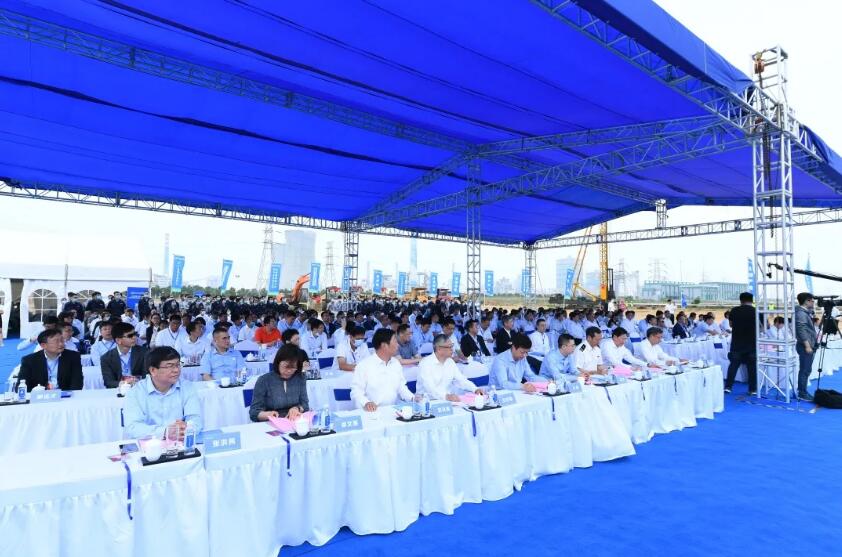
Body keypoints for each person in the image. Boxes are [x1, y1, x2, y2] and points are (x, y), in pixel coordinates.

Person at [123, 346, 203, 439]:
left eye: (178, 365)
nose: (176, 370)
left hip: (179, 442)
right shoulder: (135, 392)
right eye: (170, 366)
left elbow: (196, 420)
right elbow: (133, 427)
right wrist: (165, 432)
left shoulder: (187, 387)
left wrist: (186, 428)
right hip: (148, 445)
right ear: (153, 370)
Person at [350, 329, 413, 411]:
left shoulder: (396, 363)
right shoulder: (364, 366)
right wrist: (366, 403)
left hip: (393, 410)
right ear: (384, 345)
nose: (398, 345)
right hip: (372, 412)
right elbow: (356, 392)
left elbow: (401, 388)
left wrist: (413, 398)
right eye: (395, 342)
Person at [249, 344, 309, 422]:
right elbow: (253, 413)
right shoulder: (264, 380)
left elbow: (305, 405)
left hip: (294, 421)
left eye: (293, 367)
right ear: (278, 362)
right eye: (286, 366)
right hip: (271, 422)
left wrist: (297, 408)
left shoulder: (300, 378)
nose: (289, 371)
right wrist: (268, 414)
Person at [417, 334, 483, 401]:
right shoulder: (425, 363)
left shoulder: (450, 362)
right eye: (449, 347)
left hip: (447, 400)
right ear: (439, 349)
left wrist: (475, 389)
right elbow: (430, 388)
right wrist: (446, 396)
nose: (452, 350)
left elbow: (461, 380)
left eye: (452, 346)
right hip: (426, 401)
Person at [17, 329, 84, 391]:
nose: (61, 344)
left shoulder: (73, 356)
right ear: (43, 345)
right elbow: (21, 386)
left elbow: (77, 382)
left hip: (65, 395)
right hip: (40, 396)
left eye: (62, 340)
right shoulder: (29, 360)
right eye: (56, 341)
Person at [722, 292, 759, 396]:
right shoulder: (756, 311)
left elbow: (731, 325)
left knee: (733, 365)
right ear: (752, 300)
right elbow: (761, 327)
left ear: (741, 300)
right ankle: (752, 389)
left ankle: (728, 387)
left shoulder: (734, 310)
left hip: (737, 342)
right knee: (752, 367)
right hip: (751, 343)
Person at [100, 322, 148, 388]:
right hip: (119, 389)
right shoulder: (106, 358)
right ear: (118, 340)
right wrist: (124, 384)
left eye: (135, 334)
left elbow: (147, 376)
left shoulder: (144, 352)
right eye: (130, 336)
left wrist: (138, 382)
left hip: (140, 388)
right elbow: (108, 382)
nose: (134, 337)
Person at [794, 292, 818, 401]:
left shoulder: (805, 312)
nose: (813, 302)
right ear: (806, 301)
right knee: (804, 370)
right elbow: (801, 330)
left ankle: (802, 391)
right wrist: (807, 345)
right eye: (812, 301)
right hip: (805, 346)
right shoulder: (801, 313)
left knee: (806, 370)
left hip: (807, 345)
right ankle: (802, 393)